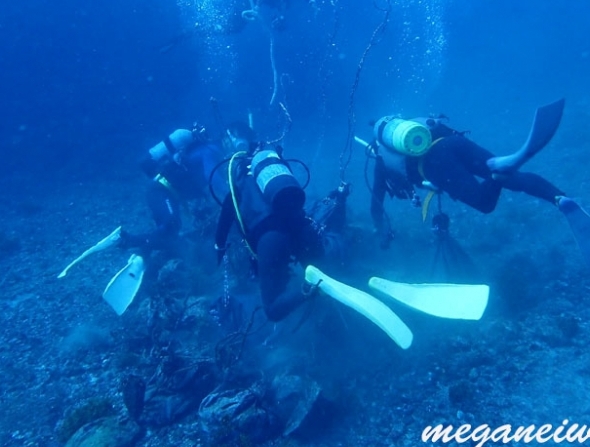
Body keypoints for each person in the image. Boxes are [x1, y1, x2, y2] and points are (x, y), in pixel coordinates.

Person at [367, 100, 583, 250]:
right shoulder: (415, 126)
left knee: (485, 203)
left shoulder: (382, 157)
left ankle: (496, 174)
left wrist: (380, 231)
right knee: (513, 177)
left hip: (436, 163)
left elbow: (376, 203)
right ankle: (559, 198)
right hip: (455, 143)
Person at [214, 147, 349, 322]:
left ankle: (306, 291)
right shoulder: (277, 175)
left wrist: (219, 254)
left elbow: (220, 238)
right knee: (324, 275)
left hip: (271, 239)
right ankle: (334, 294)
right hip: (302, 227)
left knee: (272, 310)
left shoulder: (235, 190)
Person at [120, 121, 256, 256]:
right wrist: (235, 198)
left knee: (171, 234)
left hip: (166, 193)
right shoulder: (211, 151)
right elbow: (213, 178)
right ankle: (128, 242)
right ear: (233, 137)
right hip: (161, 190)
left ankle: (142, 250)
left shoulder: (214, 152)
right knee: (169, 226)